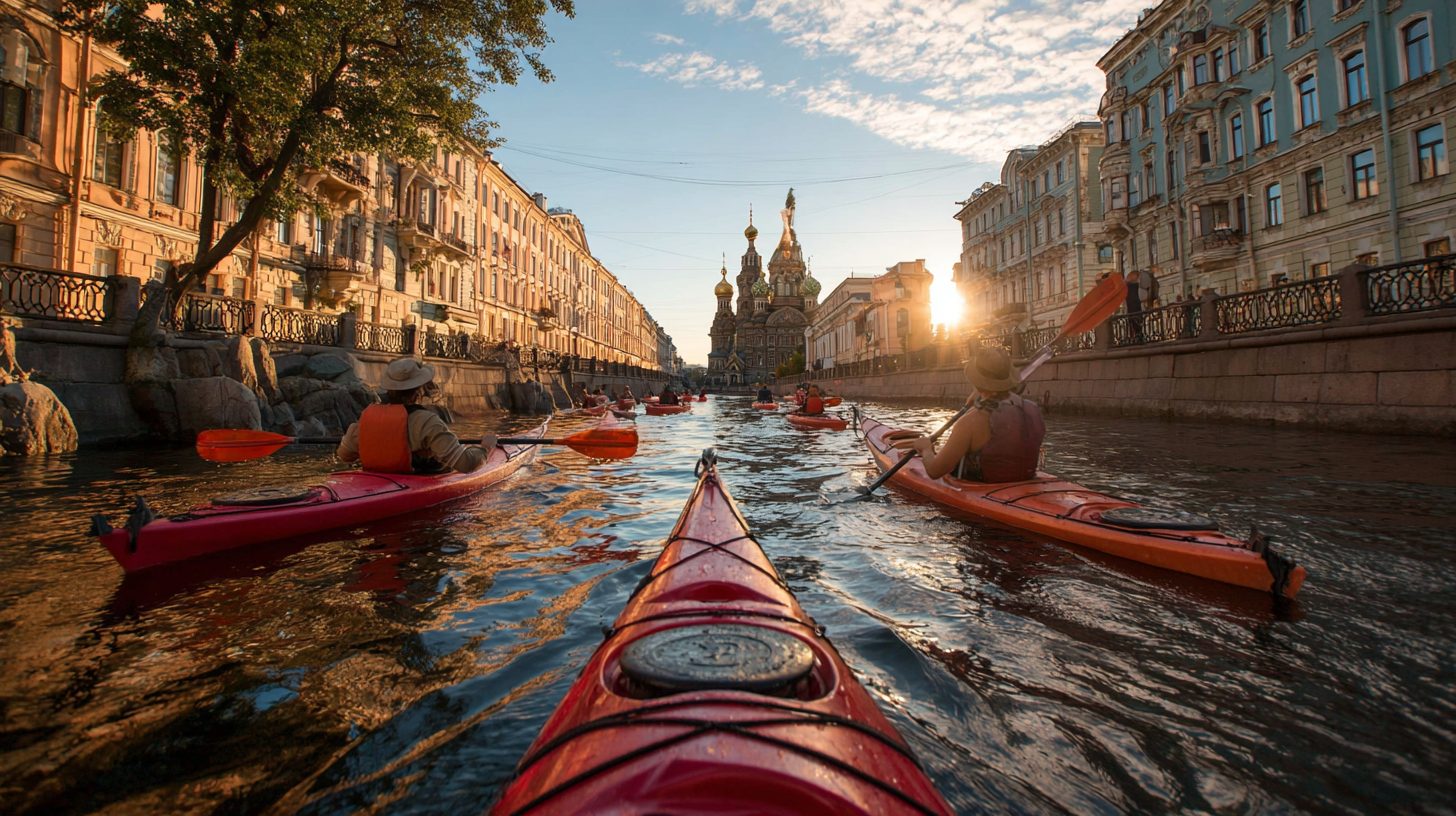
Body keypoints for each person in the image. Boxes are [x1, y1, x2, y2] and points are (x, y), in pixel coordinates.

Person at [890, 346, 1045, 482]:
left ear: (976, 382)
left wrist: (925, 449)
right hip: (1024, 479)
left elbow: (934, 471)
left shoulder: (970, 422)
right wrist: (981, 393)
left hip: (982, 485)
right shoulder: (1032, 409)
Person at [337, 358, 496, 474]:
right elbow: (466, 464)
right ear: (417, 392)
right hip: (414, 483)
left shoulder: (367, 417)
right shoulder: (426, 422)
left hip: (376, 483)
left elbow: (344, 455)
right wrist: (486, 448)